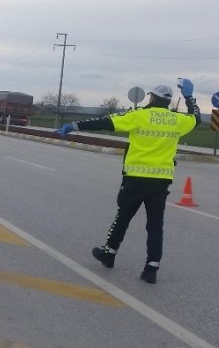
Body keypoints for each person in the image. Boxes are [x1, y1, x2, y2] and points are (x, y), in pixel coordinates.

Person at [57, 79, 200, 284]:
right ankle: (151, 268)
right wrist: (189, 97)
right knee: (155, 225)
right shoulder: (177, 120)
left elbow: (106, 122)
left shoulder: (139, 115)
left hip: (135, 178)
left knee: (123, 217)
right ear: (168, 102)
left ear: (152, 97)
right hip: (160, 181)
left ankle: (109, 253)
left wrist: (74, 125)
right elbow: (196, 118)